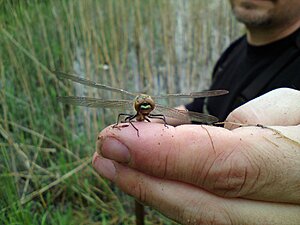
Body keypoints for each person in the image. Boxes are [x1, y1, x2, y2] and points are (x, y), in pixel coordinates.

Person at [93, 0, 300, 224]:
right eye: (143, 106)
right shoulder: (235, 50)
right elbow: (197, 109)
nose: (146, 109)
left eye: (148, 106)